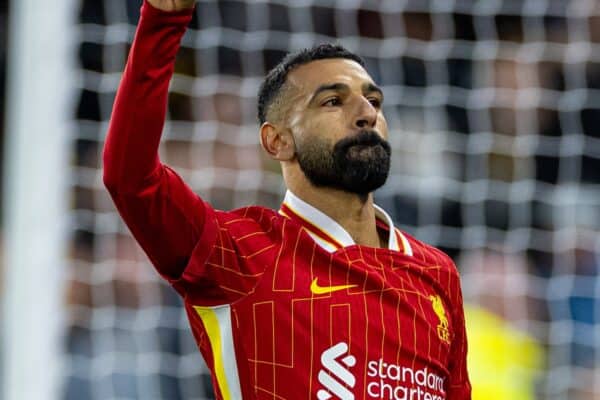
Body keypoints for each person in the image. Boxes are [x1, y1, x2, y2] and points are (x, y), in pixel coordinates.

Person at [103, 0, 472, 398]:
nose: (366, 113)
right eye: (333, 101)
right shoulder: (241, 254)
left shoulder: (436, 273)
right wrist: (163, 21)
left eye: (374, 101)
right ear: (276, 140)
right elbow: (131, 178)